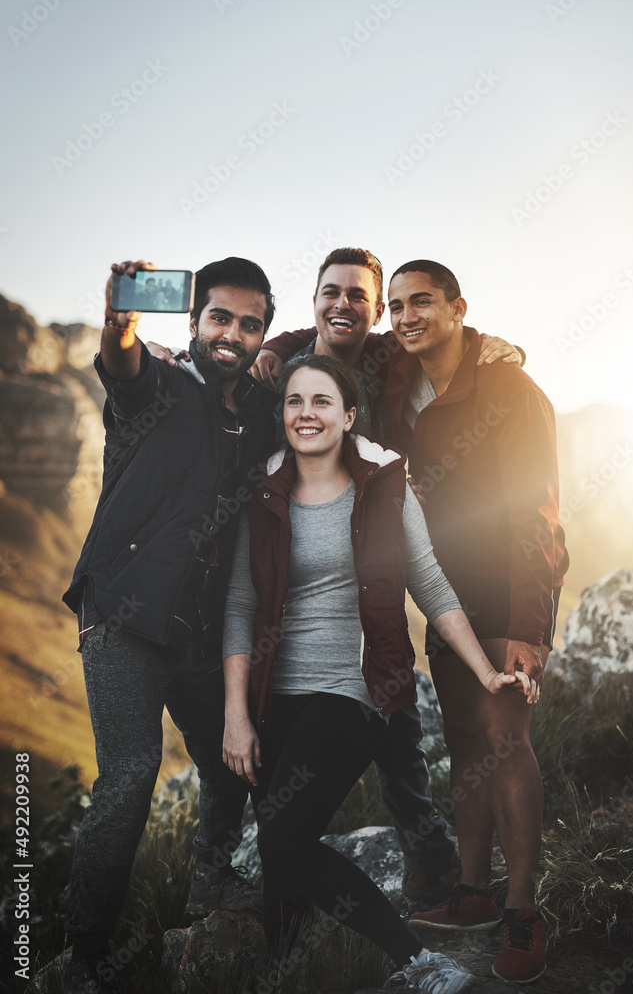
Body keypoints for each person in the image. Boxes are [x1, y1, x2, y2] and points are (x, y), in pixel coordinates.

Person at [221, 353, 537, 993]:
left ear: (349, 415)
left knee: (282, 841)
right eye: (294, 402)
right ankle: (284, 972)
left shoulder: (385, 483)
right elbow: (239, 605)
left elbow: (430, 582)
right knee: (286, 861)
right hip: (271, 699)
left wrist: (483, 671)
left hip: (357, 689)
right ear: (282, 413)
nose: (306, 414)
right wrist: (235, 716)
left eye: (321, 402)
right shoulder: (263, 491)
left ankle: (419, 964)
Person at [237, 246, 524, 908]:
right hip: (290, 585)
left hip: (370, 582)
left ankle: (428, 861)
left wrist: (486, 345)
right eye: (330, 292)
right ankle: (245, 870)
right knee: (258, 731)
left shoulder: (383, 362)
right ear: (313, 301)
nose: (344, 304)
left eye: (359, 296)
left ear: (374, 312)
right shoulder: (281, 367)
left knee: (394, 723)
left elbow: (443, 342)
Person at [60, 257, 278, 994]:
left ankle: (208, 887)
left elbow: (330, 363)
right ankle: (83, 953)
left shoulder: (255, 410)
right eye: (219, 317)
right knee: (129, 777)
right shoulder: (159, 385)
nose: (233, 333)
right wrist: (121, 321)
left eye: (250, 324)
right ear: (192, 323)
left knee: (229, 764)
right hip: (123, 611)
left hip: (197, 627)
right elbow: (122, 367)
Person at [383, 260, 568, 985]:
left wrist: (527, 622)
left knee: (503, 733)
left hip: (507, 585)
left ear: (459, 308)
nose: (405, 315)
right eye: (394, 305)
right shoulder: (398, 377)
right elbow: (332, 334)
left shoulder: (509, 388)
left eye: (421, 301)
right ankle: (471, 894)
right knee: (463, 739)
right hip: (445, 589)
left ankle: (523, 910)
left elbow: (536, 508)